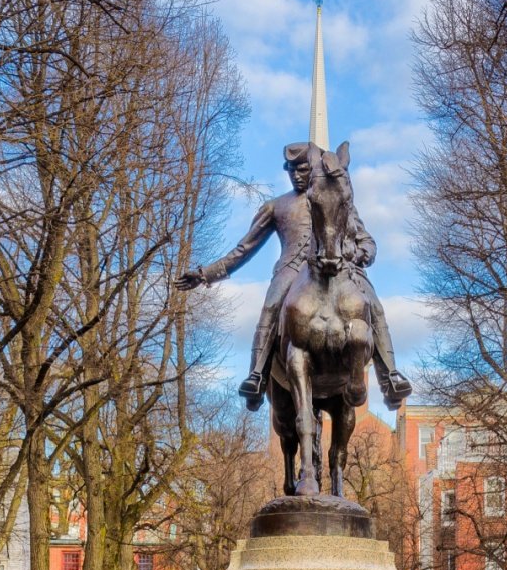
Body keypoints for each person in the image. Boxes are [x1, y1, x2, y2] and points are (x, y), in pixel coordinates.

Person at [176, 141, 412, 410]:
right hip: (291, 270)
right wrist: (206, 274)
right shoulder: (276, 207)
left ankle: (390, 377)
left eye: (302, 169)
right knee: (271, 305)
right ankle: (257, 376)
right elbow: (245, 248)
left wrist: (363, 254)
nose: (297, 175)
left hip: (339, 267)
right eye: (292, 169)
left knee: (372, 304)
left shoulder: (334, 195)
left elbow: (365, 238)